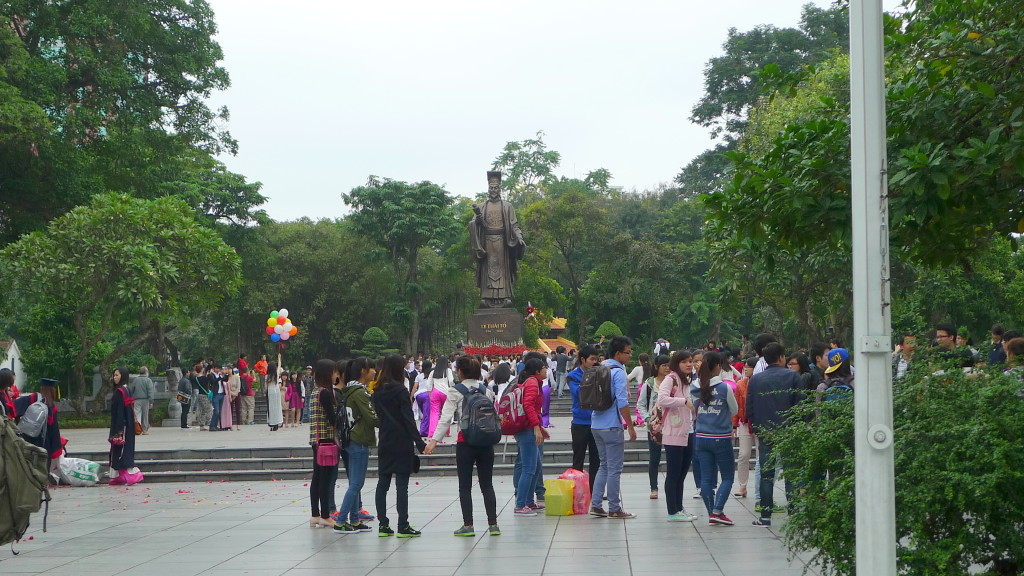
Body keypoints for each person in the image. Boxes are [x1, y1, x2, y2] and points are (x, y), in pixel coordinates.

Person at [424, 356, 501, 537]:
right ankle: (493, 524)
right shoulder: (485, 389)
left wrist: (434, 441)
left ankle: (468, 525)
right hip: (486, 443)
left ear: (460, 372)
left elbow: (446, 418)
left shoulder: (455, 391)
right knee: (487, 484)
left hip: (465, 442)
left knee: (465, 486)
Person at [747, 342, 803, 527]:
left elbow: (750, 407)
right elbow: (800, 405)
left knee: (767, 474)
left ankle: (765, 516)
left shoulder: (755, 379)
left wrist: (757, 428)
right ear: (781, 357)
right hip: (789, 431)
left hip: (766, 432)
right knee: (791, 473)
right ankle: (794, 514)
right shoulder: (793, 376)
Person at [373, 354, 427, 537]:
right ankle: (403, 525)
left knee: (383, 483)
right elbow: (408, 419)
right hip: (402, 441)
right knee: (401, 486)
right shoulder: (401, 391)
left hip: (386, 440)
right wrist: (419, 442)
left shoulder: (377, 391)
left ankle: (383, 525)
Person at [589, 335, 638, 519]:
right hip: (611, 426)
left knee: (604, 466)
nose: (630, 356)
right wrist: (630, 426)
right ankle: (615, 508)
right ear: (618, 353)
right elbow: (622, 402)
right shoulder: (617, 372)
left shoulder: (599, 367)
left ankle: (596, 504)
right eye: (628, 352)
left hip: (596, 424)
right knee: (615, 469)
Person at [468, 170, 527, 307]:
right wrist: (476, 221)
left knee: (503, 271)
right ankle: (486, 298)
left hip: (502, 243)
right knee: (487, 271)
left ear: (500, 189)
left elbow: (514, 225)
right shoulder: (482, 207)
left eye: (496, 188)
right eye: (491, 188)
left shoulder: (507, 206)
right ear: (488, 189)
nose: (493, 190)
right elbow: (471, 224)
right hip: (486, 243)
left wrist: (519, 237)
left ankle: (505, 297)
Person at [692, 351, 738, 526]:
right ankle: (717, 511)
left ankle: (712, 512)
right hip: (721, 437)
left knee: (706, 479)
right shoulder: (724, 388)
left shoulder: (695, 387)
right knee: (727, 477)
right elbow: (734, 410)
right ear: (718, 366)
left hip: (701, 436)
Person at [334, 357, 378, 534]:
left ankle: (353, 520)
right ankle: (341, 520)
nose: (375, 372)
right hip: (359, 439)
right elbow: (371, 417)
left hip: (350, 439)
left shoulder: (349, 390)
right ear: (363, 371)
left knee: (354, 482)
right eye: (372, 369)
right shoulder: (360, 393)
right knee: (357, 483)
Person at [658, 350, 697, 521]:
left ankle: (679, 508)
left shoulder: (685, 381)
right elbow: (662, 399)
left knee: (682, 473)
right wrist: (683, 402)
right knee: (673, 472)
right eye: (684, 362)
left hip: (687, 432)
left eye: (690, 361)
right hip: (673, 432)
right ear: (676, 364)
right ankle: (672, 511)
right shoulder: (671, 379)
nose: (689, 364)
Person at [512, 357, 549, 516]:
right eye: (544, 367)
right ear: (537, 371)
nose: (546, 370)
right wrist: (535, 427)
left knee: (536, 466)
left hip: (529, 428)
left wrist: (539, 427)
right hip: (527, 430)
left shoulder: (532, 382)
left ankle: (529, 502)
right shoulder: (533, 383)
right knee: (528, 468)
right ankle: (520, 505)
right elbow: (528, 405)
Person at [308, 359, 339, 529]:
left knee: (317, 478)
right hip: (326, 440)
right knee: (326, 479)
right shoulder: (326, 393)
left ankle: (315, 514)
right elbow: (332, 419)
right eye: (334, 371)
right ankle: (326, 515)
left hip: (316, 440)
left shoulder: (314, 392)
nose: (337, 375)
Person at [566, 345, 601, 492]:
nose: (594, 362)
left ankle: (595, 491)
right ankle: (577, 490)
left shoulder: (599, 374)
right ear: (582, 359)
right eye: (592, 359)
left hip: (597, 422)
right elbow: (579, 393)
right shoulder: (572, 376)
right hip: (580, 423)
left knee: (596, 460)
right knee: (578, 458)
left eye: (596, 359)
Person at [636, 354, 669, 499]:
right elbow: (641, 404)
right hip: (654, 428)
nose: (667, 368)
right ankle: (654, 488)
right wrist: (648, 419)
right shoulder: (649, 384)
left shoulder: (674, 383)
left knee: (672, 458)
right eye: (664, 365)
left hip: (672, 426)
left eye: (669, 365)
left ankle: (671, 487)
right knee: (654, 458)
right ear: (656, 367)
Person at [109, 367, 141, 485]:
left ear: (123, 376)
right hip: (129, 426)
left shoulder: (119, 392)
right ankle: (118, 476)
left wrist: (118, 431)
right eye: (114, 375)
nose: (114, 377)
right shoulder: (128, 390)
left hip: (120, 426)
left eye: (117, 375)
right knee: (124, 449)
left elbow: (119, 413)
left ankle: (129, 475)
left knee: (119, 449)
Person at [733, 357, 758, 498]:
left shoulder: (761, 383)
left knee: (762, 455)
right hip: (744, 422)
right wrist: (734, 425)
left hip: (759, 422)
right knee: (743, 455)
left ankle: (761, 486)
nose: (746, 369)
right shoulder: (740, 384)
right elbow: (736, 406)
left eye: (750, 367)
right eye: (745, 367)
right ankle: (742, 486)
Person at [426, 358, 452, 439]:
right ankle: (446, 432)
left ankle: (432, 433)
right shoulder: (448, 371)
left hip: (435, 392)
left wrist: (430, 394)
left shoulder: (433, 371)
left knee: (434, 413)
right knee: (446, 413)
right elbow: (451, 381)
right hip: (446, 392)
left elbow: (428, 384)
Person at [130, 366, 155, 434]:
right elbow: (150, 391)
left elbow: (131, 390)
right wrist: (151, 401)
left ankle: (137, 429)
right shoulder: (148, 380)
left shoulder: (135, 380)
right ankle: (144, 430)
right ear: (146, 372)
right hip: (145, 400)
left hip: (136, 400)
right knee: (145, 415)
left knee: (136, 415)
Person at [412, 360, 432, 437]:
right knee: (427, 414)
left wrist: (411, 397)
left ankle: (427, 428)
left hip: (418, 396)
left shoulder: (419, 376)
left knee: (423, 413)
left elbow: (414, 387)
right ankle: (423, 431)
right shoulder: (431, 376)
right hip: (427, 395)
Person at [191, 363, 213, 431]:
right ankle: (209, 422)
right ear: (201, 369)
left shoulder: (196, 378)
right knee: (209, 409)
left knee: (202, 410)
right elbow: (209, 381)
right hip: (205, 395)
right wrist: (209, 373)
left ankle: (201, 425)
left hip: (199, 395)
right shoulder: (204, 378)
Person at [266, 363, 284, 431]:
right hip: (276, 391)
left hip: (270, 391)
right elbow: (279, 366)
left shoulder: (267, 376)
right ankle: (277, 422)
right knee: (277, 407)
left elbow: (266, 386)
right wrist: (279, 358)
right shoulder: (276, 374)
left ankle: (272, 423)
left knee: (271, 408)